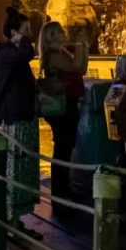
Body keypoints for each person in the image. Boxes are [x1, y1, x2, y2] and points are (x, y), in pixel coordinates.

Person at [0, 6, 41, 237]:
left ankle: (17, 220)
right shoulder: (6, 52)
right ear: (14, 31)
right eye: (26, 29)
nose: (30, 33)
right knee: (15, 168)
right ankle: (10, 220)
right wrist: (22, 40)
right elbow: (27, 54)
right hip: (15, 117)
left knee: (23, 169)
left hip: (24, 115)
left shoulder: (13, 51)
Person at [38, 20, 89, 204]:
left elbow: (81, 69)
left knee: (65, 147)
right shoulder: (53, 56)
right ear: (51, 36)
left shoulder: (61, 52)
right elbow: (76, 67)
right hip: (61, 107)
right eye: (60, 32)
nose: (64, 33)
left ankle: (63, 189)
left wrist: (84, 46)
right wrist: (79, 44)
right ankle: (60, 192)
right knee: (62, 148)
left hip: (67, 104)